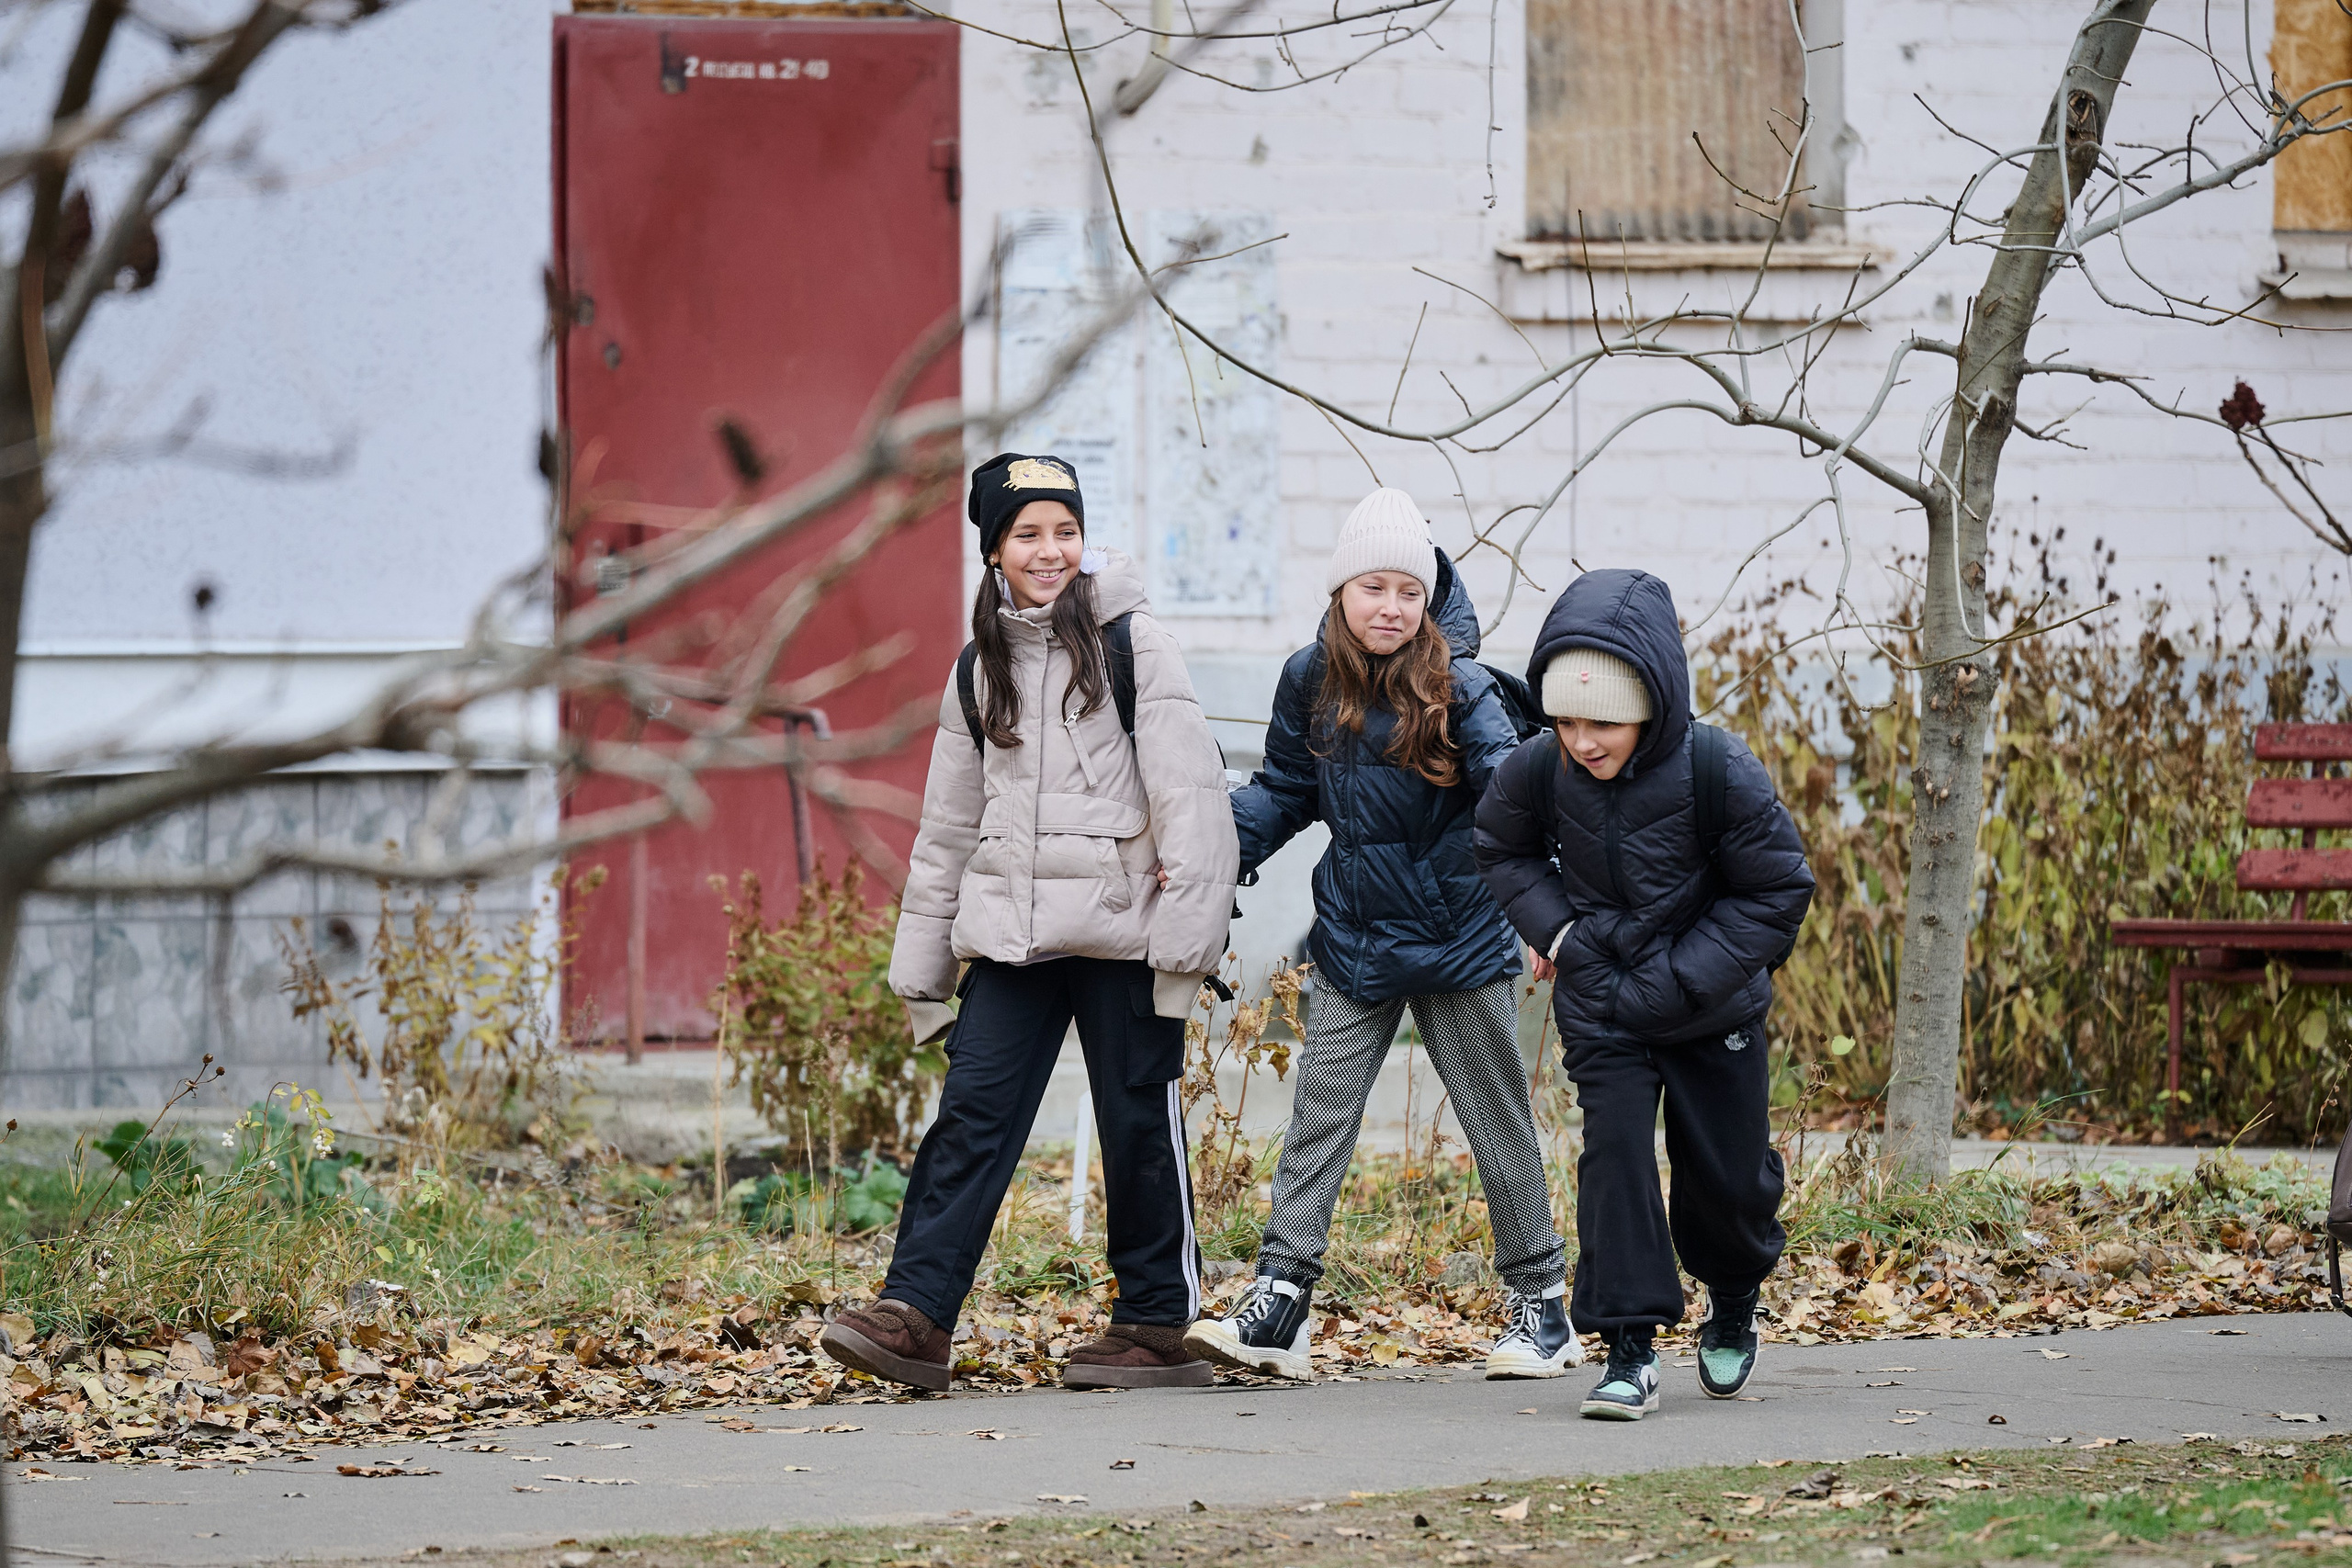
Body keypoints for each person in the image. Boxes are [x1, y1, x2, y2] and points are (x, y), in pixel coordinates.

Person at [820, 452, 1239, 1393]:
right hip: (1011, 937)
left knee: (1137, 1124)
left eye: (1064, 530)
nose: (1050, 551)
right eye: (1027, 534)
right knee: (970, 1115)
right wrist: (922, 974)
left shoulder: (1135, 646)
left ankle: (1156, 1324)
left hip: (1122, 929)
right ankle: (917, 1316)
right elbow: (946, 829)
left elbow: (1192, 801)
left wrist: (1184, 945)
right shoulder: (978, 670)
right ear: (994, 552)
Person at [1184, 489, 1578, 1383]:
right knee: (1317, 1121)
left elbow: (1512, 801)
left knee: (1497, 1126)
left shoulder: (1462, 686)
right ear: (1340, 593)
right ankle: (1280, 1303)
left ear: (1428, 598)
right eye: (1373, 587)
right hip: (1355, 939)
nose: (1390, 606)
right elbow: (1286, 793)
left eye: (1409, 589)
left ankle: (1543, 1309)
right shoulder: (1307, 681)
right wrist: (1208, 852)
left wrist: (1545, 913)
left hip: (1458, 941)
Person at [1472, 568, 1814, 1420]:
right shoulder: (1539, 770)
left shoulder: (1717, 767)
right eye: (1566, 720)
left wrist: (1681, 976)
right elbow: (1501, 848)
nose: (1583, 740)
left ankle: (1733, 1293)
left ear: (1652, 706)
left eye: (1604, 722)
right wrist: (1561, 935)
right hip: (1605, 1007)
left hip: (1712, 1009)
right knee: (1614, 1162)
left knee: (1728, 1182)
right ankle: (1629, 1347)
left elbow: (1777, 890)